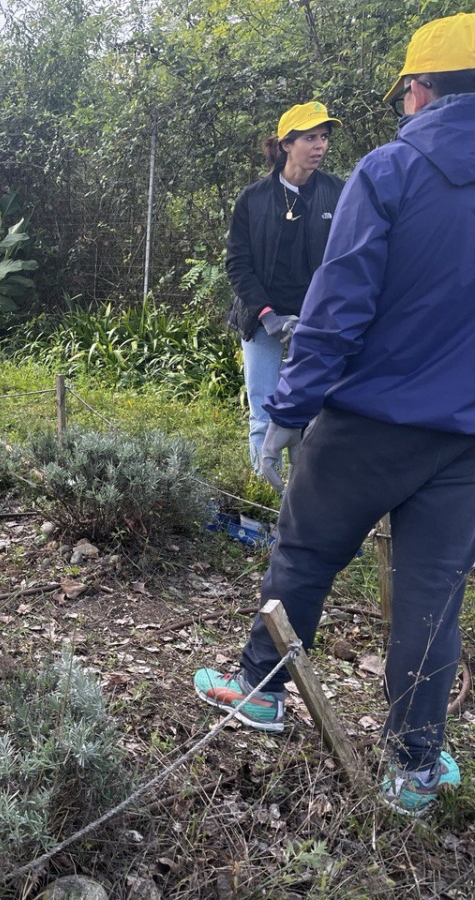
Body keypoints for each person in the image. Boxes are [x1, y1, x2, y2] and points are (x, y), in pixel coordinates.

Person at [195, 12, 475, 817]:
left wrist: (290, 407)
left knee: (306, 551)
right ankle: (416, 770)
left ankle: (261, 690)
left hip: (368, 420)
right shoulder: (305, 188)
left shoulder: (388, 174)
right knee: (433, 594)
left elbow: (337, 306)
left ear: (419, 90)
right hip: (462, 441)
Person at [225, 102, 344, 474]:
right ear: (287, 144)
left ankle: (303, 503)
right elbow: (237, 265)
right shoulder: (253, 199)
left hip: (315, 325)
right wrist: (267, 315)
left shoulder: (339, 193)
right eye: (310, 138)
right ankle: (263, 502)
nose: (320, 145)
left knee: (312, 415)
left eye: (324, 137)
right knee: (263, 412)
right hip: (262, 322)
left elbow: (346, 262)